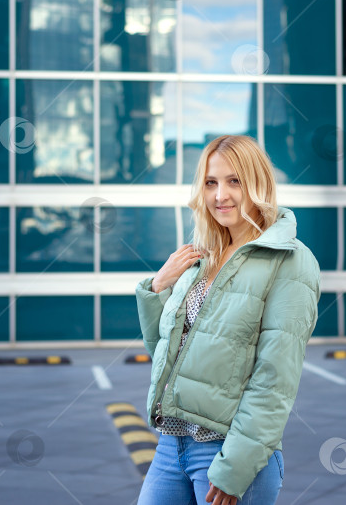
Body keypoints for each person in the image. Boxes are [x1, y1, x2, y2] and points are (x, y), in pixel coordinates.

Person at [134, 135, 321, 504]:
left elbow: (275, 380)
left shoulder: (290, 260)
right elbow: (169, 357)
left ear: (258, 183)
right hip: (172, 444)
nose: (221, 195)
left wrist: (236, 465)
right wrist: (157, 288)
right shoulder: (203, 256)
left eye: (234, 181)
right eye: (211, 183)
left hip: (226, 450)